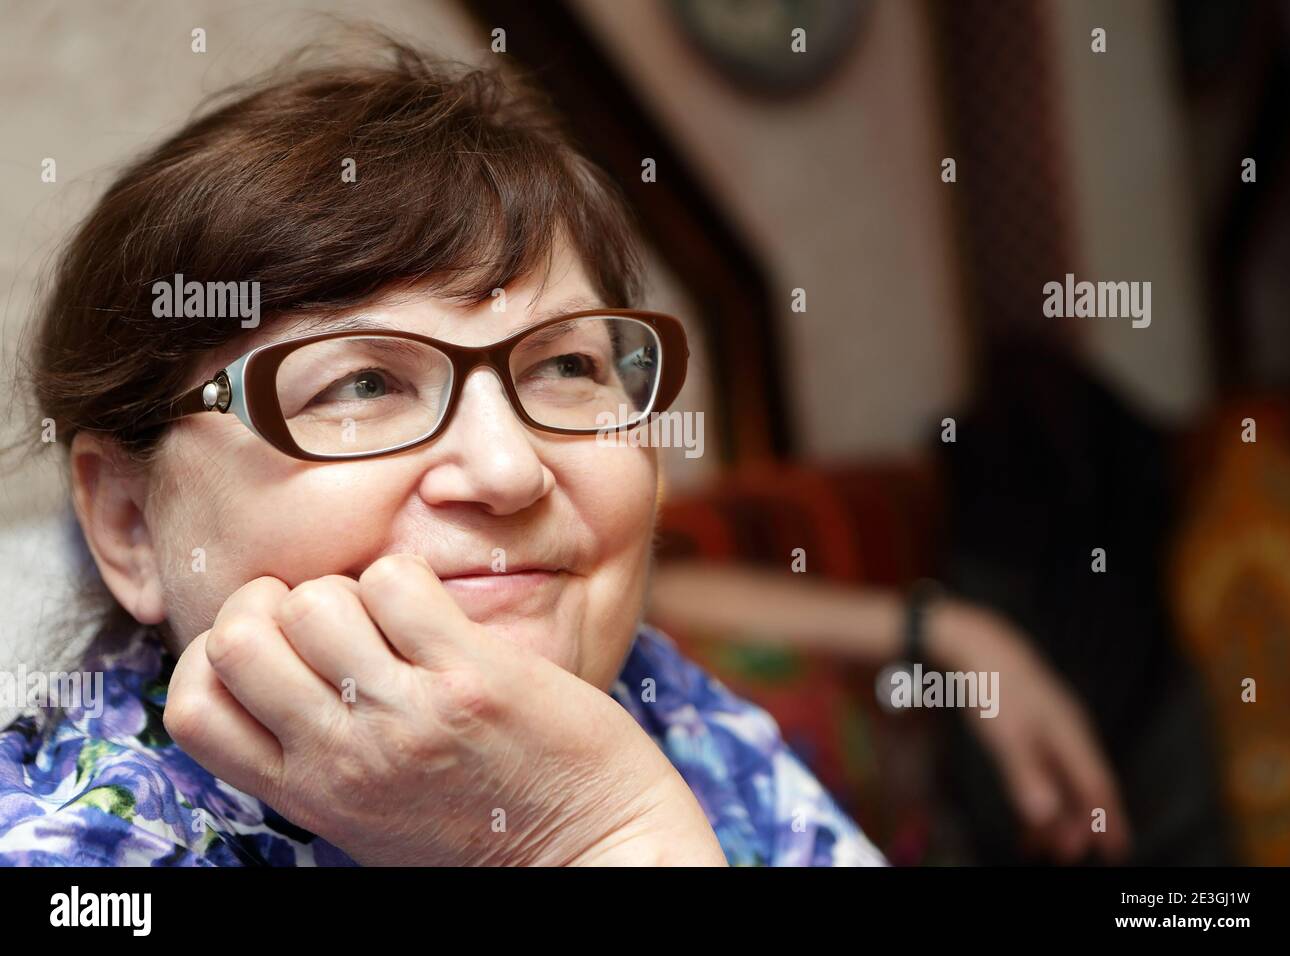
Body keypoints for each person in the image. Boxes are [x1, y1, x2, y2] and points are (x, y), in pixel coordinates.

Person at [0, 39, 884, 867]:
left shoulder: (660, 693)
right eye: (361, 387)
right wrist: (590, 832)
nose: (509, 471)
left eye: (569, 365)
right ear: (129, 526)